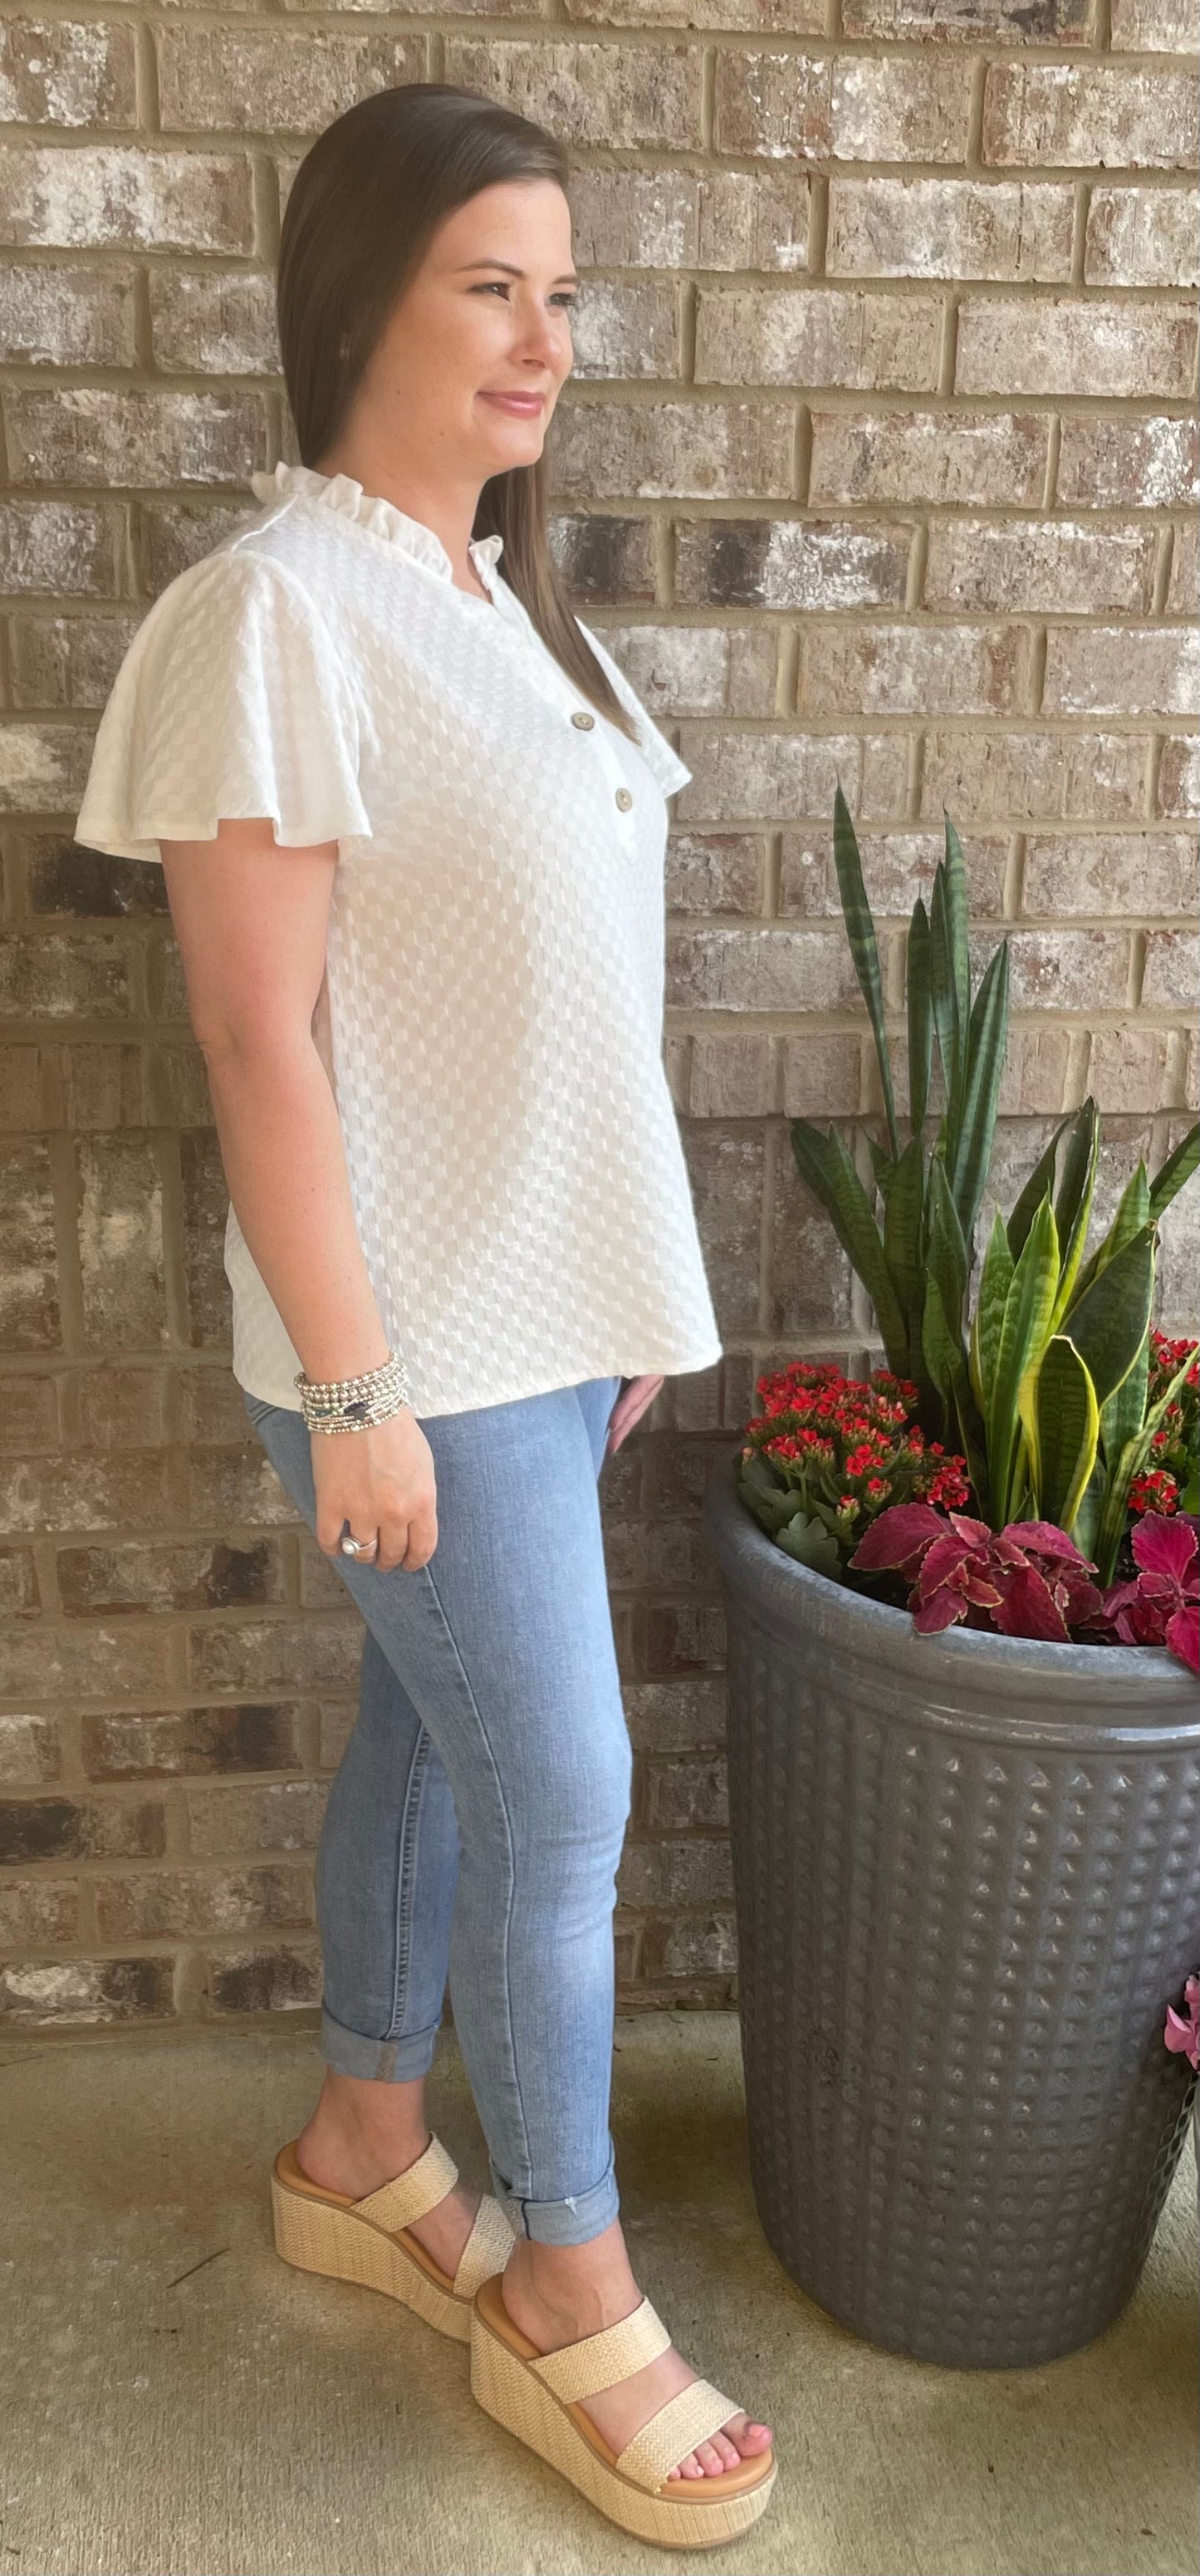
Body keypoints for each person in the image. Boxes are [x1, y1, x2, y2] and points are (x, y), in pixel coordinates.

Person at [74, 80, 777, 2550]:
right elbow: (262, 1042)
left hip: (536, 1327)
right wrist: (355, 1387)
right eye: (491, 279)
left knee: (440, 1745)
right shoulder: (277, 609)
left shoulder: (495, 606)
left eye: (561, 291)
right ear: (358, 291)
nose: (542, 335)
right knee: (560, 1795)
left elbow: (548, 1001)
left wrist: (627, 1297)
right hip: (411, 1353)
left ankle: (369, 2141)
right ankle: (561, 2281)